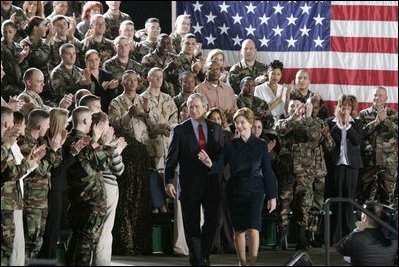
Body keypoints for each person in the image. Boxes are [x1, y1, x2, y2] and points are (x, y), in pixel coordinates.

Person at [198, 107, 277, 266]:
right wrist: (209, 164)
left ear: (250, 123)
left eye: (242, 122)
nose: (239, 126)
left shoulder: (261, 145)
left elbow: (268, 172)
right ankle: (242, 263)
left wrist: (272, 196)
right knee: (239, 229)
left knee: (254, 227)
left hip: (255, 190)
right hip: (235, 190)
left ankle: (252, 263)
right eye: (236, 123)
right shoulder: (230, 145)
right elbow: (220, 165)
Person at [164, 93, 224, 266]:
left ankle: (203, 255)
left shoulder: (215, 128)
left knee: (213, 221)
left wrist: (212, 164)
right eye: (191, 106)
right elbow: (171, 158)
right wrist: (168, 180)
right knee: (191, 225)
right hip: (189, 184)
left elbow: (222, 155)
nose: (193, 110)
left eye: (197, 106)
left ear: (205, 108)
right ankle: (197, 260)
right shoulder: (179, 129)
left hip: (211, 182)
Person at [325, 94, 364, 243]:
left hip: (351, 166)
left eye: (349, 107)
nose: (345, 109)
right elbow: (329, 143)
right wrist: (339, 124)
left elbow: (357, 141)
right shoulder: (330, 122)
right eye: (343, 106)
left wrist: (347, 125)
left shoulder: (357, 123)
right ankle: (334, 236)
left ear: (353, 109)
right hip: (336, 166)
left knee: (349, 201)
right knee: (335, 201)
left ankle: (349, 235)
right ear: (338, 107)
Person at [358, 86, 398, 206]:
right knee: (367, 198)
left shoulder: (393, 114)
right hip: (369, 162)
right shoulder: (363, 114)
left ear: (386, 98)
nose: (377, 98)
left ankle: (386, 225)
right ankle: (367, 224)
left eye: (380, 95)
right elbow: (358, 134)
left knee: (388, 198)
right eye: (375, 95)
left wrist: (385, 120)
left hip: (388, 162)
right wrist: (375, 123)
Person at [337, 201, 398, 266]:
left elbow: (340, 248)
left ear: (365, 217)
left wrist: (356, 230)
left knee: (348, 256)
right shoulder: (393, 237)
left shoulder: (358, 236)